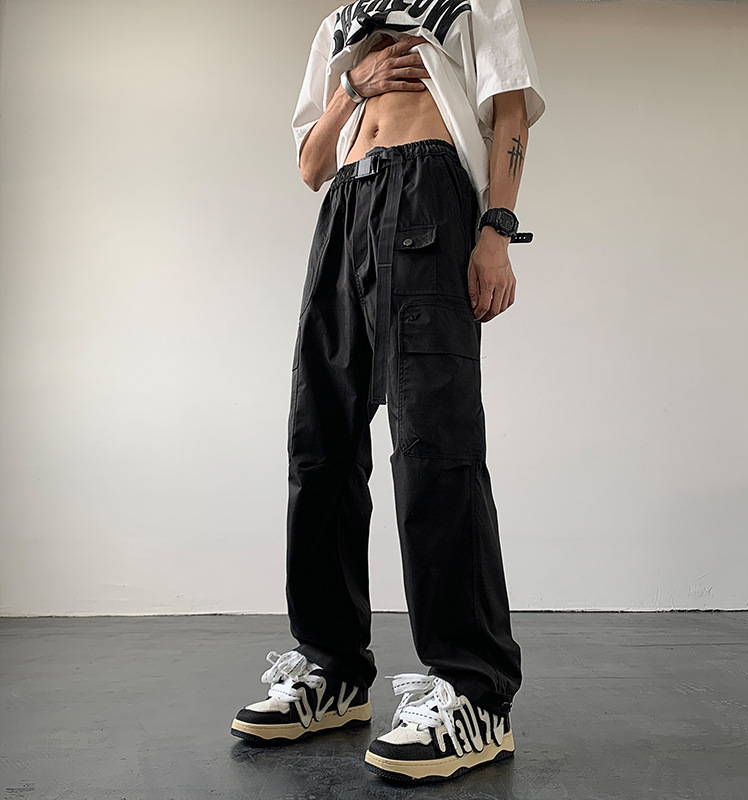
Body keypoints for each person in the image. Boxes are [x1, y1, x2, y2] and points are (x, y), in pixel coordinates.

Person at [231, 0, 546, 783]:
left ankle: (475, 692)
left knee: (435, 447)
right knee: (320, 446)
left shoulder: (479, 1)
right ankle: (333, 671)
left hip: (429, 194)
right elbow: (311, 166)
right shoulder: (339, 23)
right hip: (345, 206)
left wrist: (496, 231)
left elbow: (510, 110)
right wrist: (356, 83)